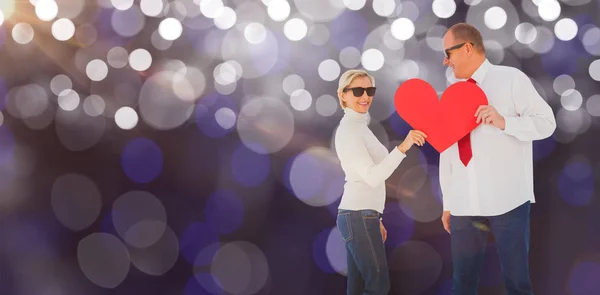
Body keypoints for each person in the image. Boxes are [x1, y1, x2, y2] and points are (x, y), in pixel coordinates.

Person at [438, 23, 556, 295]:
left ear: (467, 48)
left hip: (509, 202)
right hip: (465, 204)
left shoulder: (511, 79)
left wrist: (505, 122)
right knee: (462, 284)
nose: (446, 60)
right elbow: (448, 149)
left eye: (448, 52)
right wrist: (448, 201)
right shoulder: (451, 94)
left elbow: (547, 123)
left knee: (517, 283)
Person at [334, 69, 427, 295]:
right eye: (357, 90)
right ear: (343, 95)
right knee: (377, 285)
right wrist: (403, 147)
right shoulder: (350, 131)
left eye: (369, 90)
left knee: (358, 288)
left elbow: (372, 177)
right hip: (358, 215)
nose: (365, 96)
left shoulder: (359, 128)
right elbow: (373, 176)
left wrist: (376, 215)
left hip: (361, 215)